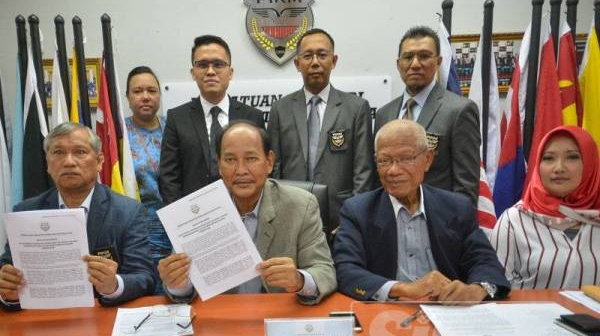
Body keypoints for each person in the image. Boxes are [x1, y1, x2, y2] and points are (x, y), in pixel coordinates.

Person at [159, 120, 336, 305]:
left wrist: (299, 279)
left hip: (278, 317)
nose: (241, 171)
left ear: (269, 162)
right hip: (221, 321)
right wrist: (177, 283)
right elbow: (183, 291)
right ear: (219, 165)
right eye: (230, 160)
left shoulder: (301, 205)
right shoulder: (199, 209)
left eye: (251, 159)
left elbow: (325, 271)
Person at [334, 119, 509, 302]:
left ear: (427, 159)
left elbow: (486, 263)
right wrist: (404, 289)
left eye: (405, 159)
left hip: (447, 311)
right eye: (384, 161)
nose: (393, 170)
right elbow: (346, 271)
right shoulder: (358, 211)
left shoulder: (456, 208)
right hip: (386, 314)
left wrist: (477, 289)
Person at [0, 122, 155, 310]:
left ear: (99, 162)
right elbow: (7, 274)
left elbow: (145, 276)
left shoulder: (128, 212)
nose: (69, 162)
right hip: (42, 321)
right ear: (48, 164)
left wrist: (113, 285)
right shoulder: (24, 213)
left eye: (80, 152)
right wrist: (9, 294)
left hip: (103, 321)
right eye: (58, 153)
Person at [268, 28, 375, 232]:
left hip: (341, 218)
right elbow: (274, 170)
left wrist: (353, 218)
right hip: (291, 218)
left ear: (333, 61)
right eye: (307, 56)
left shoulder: (356, 108)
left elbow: (363, 172)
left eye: (322, 55)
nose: (315, 62)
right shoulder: (280, 109)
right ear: (297, 64)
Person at [375, 26, 480, 204]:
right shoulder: (384, 114)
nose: (415, 64)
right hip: (389, 223)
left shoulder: (460, 110)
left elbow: (466, 189)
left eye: (424, 56)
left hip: (438, 223)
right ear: (398, 63)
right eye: (408, 57)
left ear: (438, 62)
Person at [159, 35, 265, 205]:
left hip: (245, 212)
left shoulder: (252, 117)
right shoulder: (177, 118)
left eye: (218, 64)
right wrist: (182, 218)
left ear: (230, 72)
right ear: (193, 73)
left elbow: (263, 170)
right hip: (195, 215)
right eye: (202, 65)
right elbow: (168, 177)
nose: (210, 71)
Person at [491, 126, 600, 290]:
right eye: (548, 158)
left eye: (572, 157)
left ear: (591, 163)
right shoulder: (515, 220)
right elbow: (493, 288)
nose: (559, 168)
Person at [125, 66, 171, 294]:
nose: (145, 96)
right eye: (138, 91)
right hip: (137, 230)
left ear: (160, 96)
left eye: (152, 90)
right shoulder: (117, 134)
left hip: (175, 225)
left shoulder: (174, 127)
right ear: (128, 97)